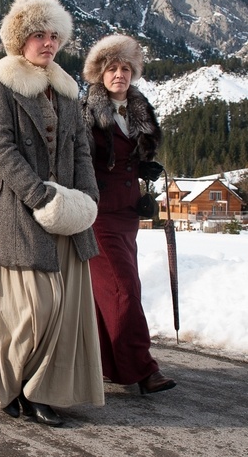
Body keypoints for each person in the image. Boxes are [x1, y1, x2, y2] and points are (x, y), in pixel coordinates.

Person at [0, 0, 104, 427]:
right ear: (21, 39)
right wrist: (39, 196)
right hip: (19, 210)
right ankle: (9, 384)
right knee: (35, 307)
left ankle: (38, 390)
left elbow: (79, 151)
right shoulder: (0, 85)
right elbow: (0, 149)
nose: (48, 43)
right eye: (40, 35)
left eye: (54, 36)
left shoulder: (67, 90)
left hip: (68, 214)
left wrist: (88, 199)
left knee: (63, 307)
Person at [81, 34, 176, 395]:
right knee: (125, 288)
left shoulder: (141, 108)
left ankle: (106, 365)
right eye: (112, 68)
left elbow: (133, 156)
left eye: (125, 68)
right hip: (99, 214)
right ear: (100, 74)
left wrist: (144, 169)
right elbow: (80, 162)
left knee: (109, 291)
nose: (119, 74)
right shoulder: (86, 111)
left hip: (128, 215)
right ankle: (143, 369)